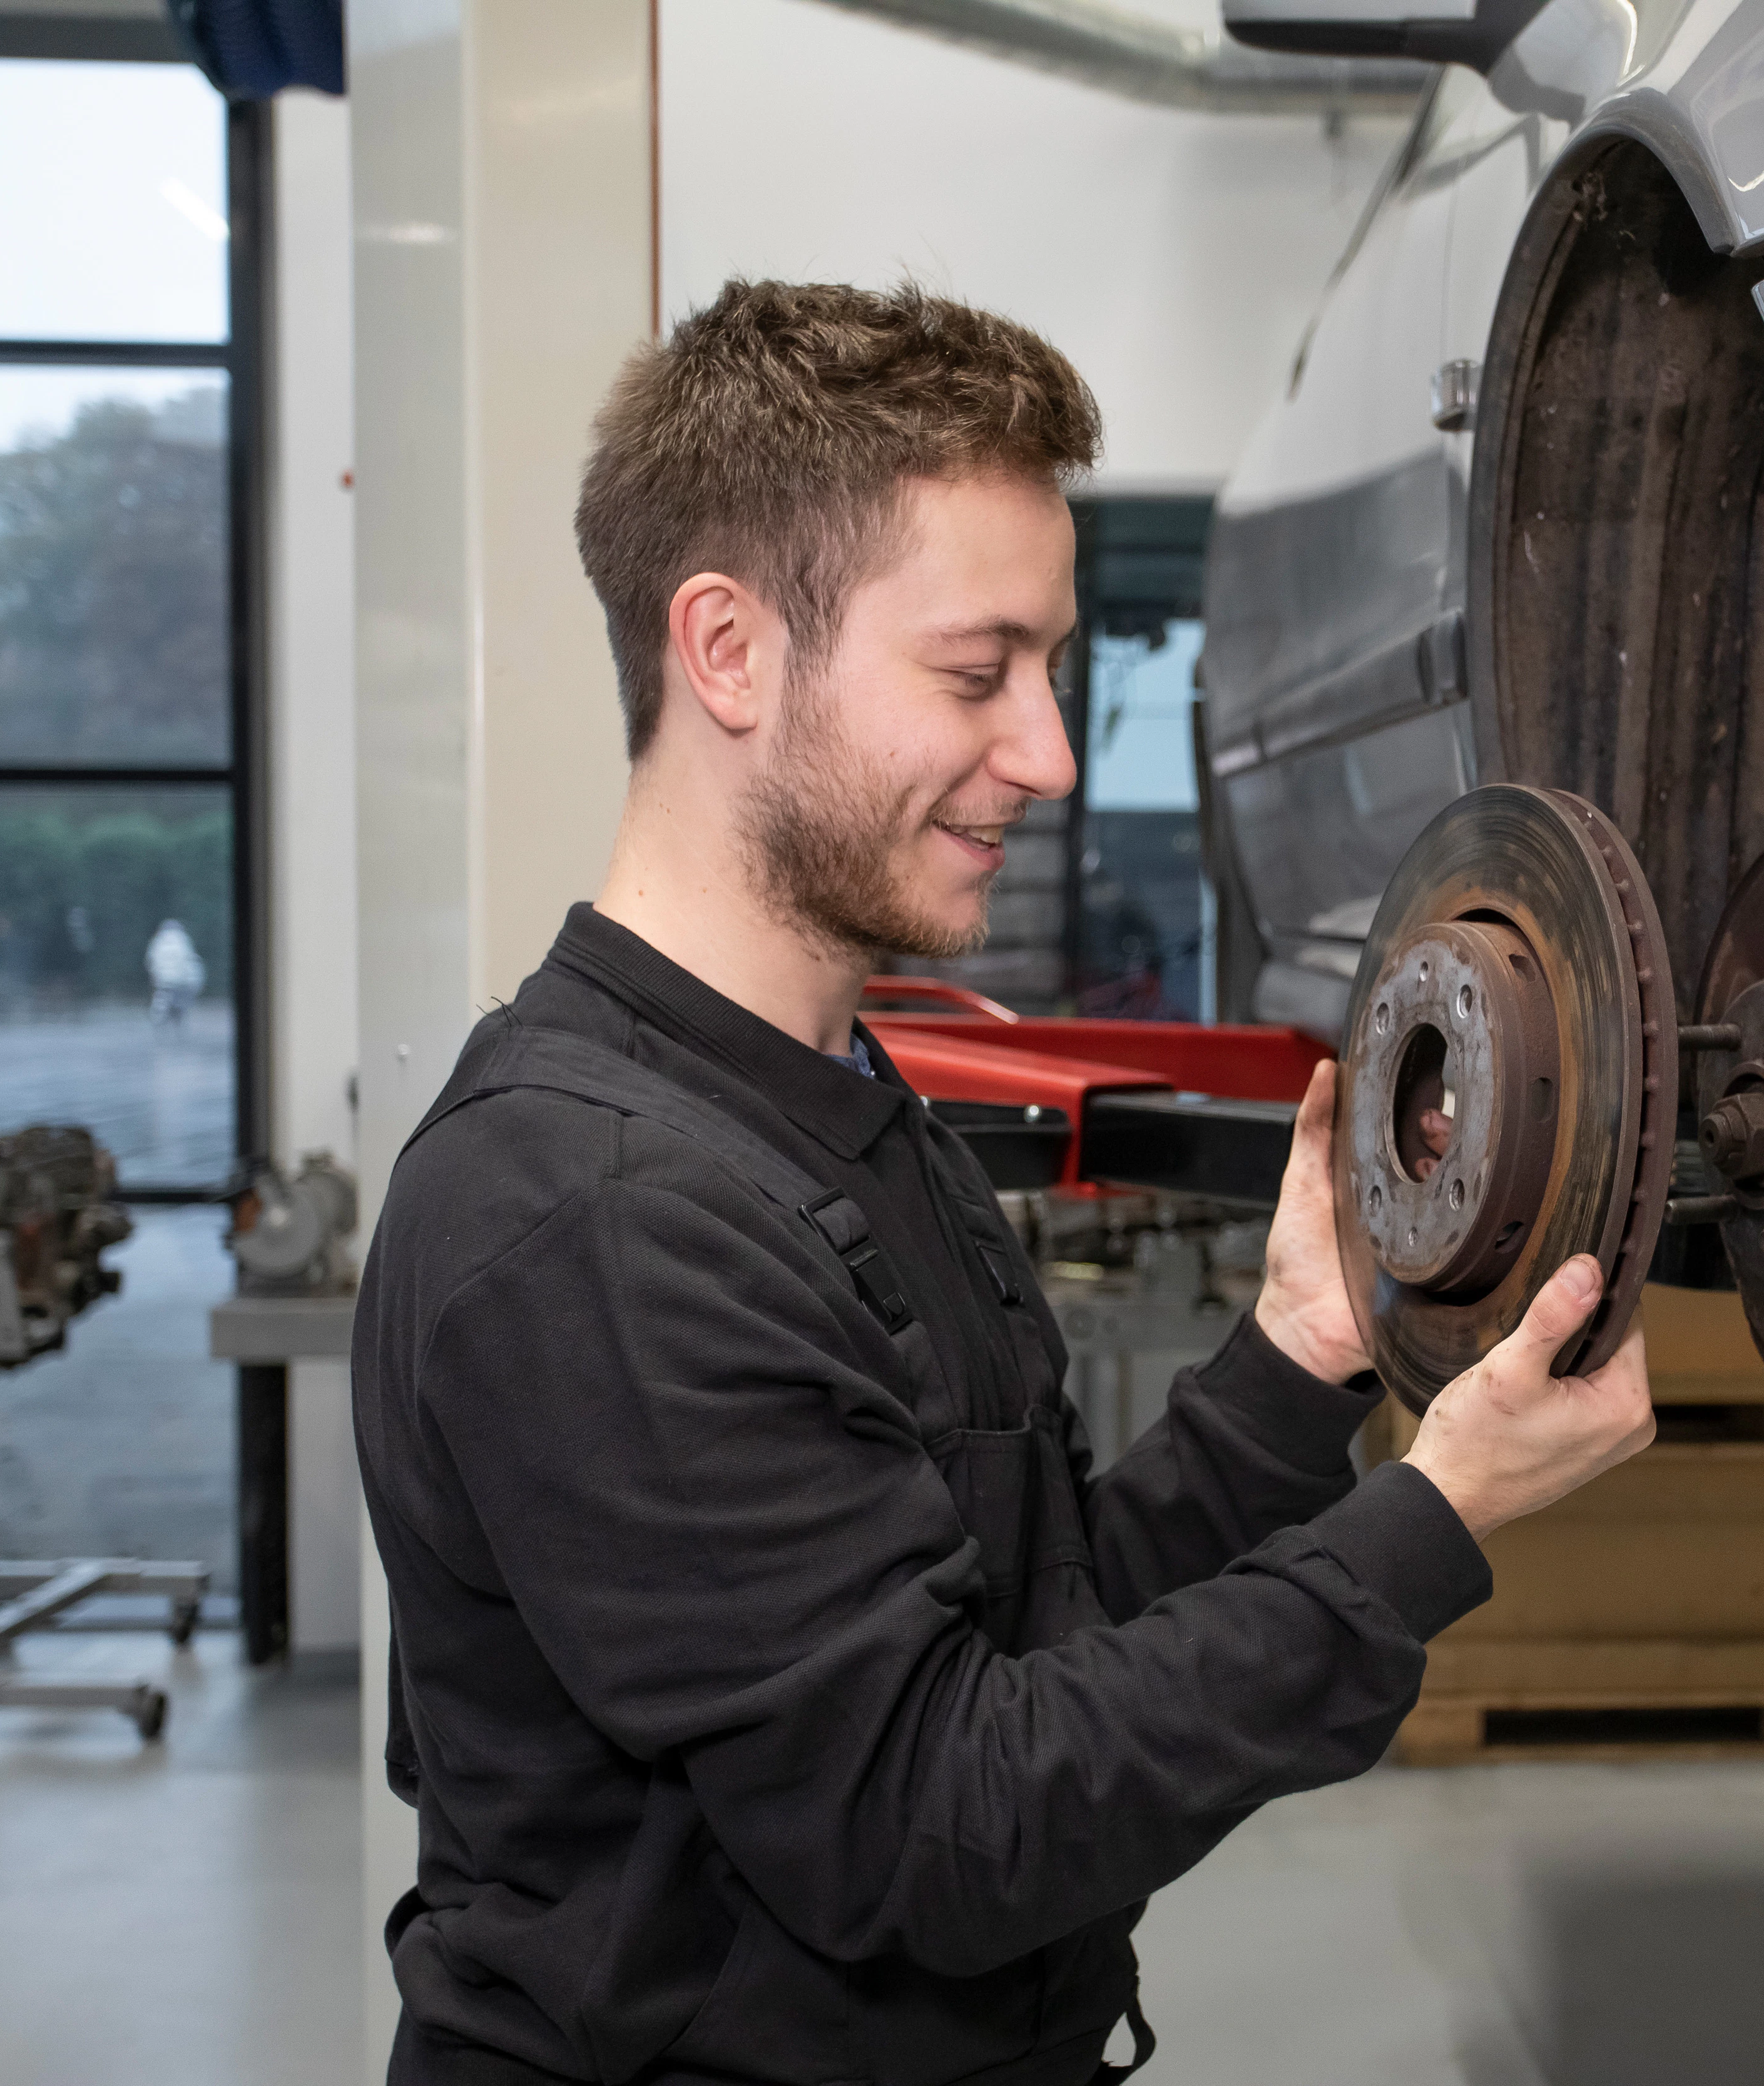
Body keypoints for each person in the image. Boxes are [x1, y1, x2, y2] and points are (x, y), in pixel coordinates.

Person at [354, 280, 1655, 2086]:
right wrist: (1428, 1519)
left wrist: (1295, 1357)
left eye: (1043, 672)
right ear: (726, 651)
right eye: (977, 673)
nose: (1046, 752)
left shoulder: (830, 1099)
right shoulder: (593, 1210)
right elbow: (939, 1825)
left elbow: (1022, 1636)